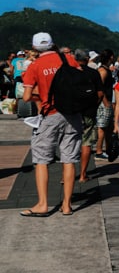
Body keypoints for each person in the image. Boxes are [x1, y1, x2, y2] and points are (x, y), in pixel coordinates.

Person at [19, 32, 82, 217]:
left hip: (51, 114)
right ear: (53, 44)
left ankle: (42, 204)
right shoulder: (68, 58)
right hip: (72, 114)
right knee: (69, 159)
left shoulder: (35, 65)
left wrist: (43, 93)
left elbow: (26, 97)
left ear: (35, 48)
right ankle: (67, 205)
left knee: (41, 159)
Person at [74, 49, 104, 183]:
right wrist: (94, 105)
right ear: (87, 59)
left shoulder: (69, 72)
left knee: (69, 144)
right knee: (86, 143)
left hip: (72, 112)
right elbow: (100, 94)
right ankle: (82, 175)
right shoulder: (93, 73)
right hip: (89, 112)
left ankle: (66, 176)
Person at [94, 49, 115, 159]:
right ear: (110, 57)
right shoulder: (103, 71)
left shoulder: (106, 69)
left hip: (108, 101)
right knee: (102, 127)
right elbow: (99, 87)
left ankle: (108, 148)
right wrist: (105, 102)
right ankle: (99, 150)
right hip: (104, 102)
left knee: (109, 127)